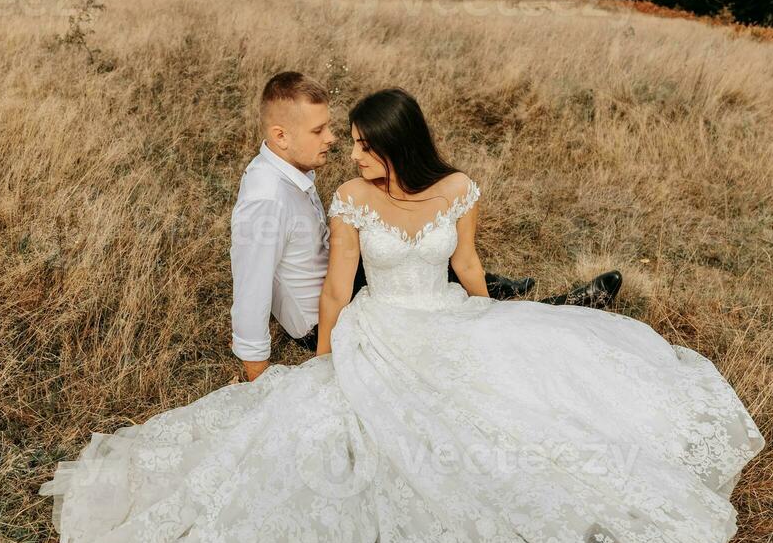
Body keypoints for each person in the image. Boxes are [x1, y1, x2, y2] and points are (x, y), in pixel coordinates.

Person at [38, 87, 765, 543]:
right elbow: (335, 286)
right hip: (381, 329)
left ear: (398, 144)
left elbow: (469, 261)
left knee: (530, 409)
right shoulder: (352, 199)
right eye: (345, 142)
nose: (351, 156)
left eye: (362, 145)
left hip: (450, 318)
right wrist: (324, 358)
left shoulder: (459, 189)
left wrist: (498, 315)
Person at [228, 71, 623, 381]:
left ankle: (503, 297)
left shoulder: (292, 170)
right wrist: (259, 371)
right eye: (319, 131)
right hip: (335, 313)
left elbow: (462, 255)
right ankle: (549, 307)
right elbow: (252, 290)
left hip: (354, 279)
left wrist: (487, 313)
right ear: (280, 136)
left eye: (333, 129)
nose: (333, 141)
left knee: (427, 250)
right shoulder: (267, 200)